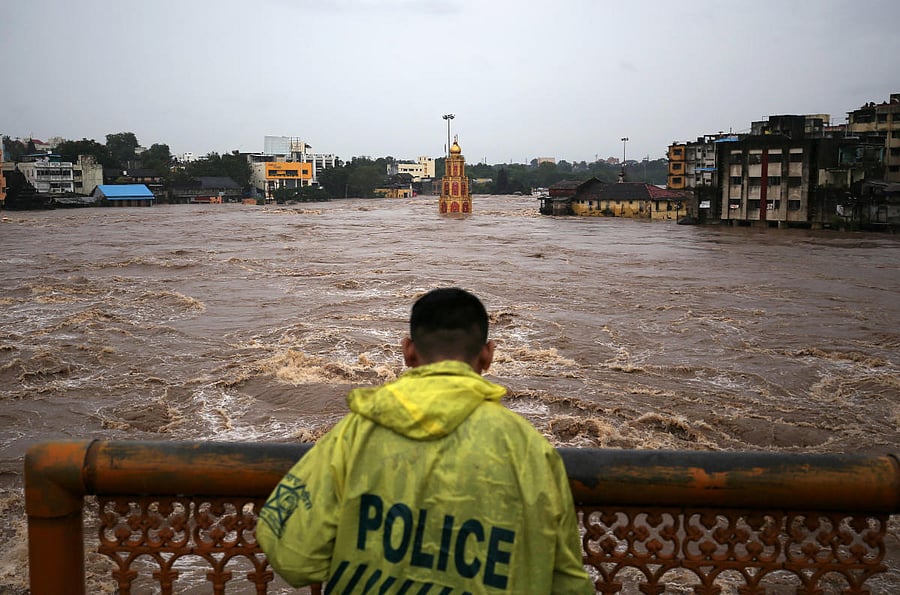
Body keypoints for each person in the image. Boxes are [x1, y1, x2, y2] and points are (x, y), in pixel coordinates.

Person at [256, 288, 594, 594]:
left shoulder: (357, 432)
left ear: (408, 351)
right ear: (488, 355)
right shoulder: (531, 449)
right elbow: (567, 582)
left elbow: (295, 558)